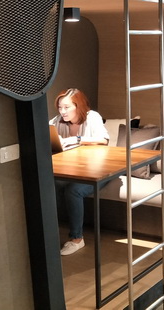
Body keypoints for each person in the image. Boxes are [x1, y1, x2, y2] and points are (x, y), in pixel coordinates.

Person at [50, 88, 109, 255]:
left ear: (79, 106)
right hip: (74, 169)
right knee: (49, 183)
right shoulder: (57, 121)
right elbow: (44, 131)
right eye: (60, 107)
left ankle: (77, 238)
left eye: (67, 107)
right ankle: (49, 232)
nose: (62, 111)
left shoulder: (92, 117)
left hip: (100, 170)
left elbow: (104, 140)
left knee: (73, 190)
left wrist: (76, 139)